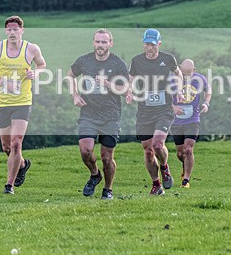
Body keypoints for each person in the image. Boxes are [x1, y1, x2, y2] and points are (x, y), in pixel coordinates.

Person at [0, 15, 46, 195]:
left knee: (16, 143)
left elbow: (42, 64)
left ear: (22, 31)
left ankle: (9, 185)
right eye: (9, 29)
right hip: (3, 102)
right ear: (6, 31)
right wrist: (4, 83)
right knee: (7, 147)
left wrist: (35, 73)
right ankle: (23, 164)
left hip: (23, 102)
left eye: (15, 29)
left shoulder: (31, 49)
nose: (12, 32)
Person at [66, 29, 129, 200]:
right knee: (86, 151)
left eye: (104, 42)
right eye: (98, 42)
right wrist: (75, 95)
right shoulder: (84, 61)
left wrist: (109, 84)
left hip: (110, 115)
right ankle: (95, 174)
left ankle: (108, 189)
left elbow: (126, 90)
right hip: (88, 113)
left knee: (107, 157)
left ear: (110, 43)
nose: (100, 45)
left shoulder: (118, 64)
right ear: (93, 43)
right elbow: (70, 76)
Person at [127, 28, 182, 197]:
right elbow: (130, 79)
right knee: (148, 151)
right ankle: (156, 185)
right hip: (144, 110)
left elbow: (178, 74)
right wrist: (129, 92)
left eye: (152, 44)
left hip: (164, 109)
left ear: (159, 44)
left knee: (158, 144)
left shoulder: (168, 58)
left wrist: (178, 89)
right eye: (146, 44)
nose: (149, 47)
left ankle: (165, 168)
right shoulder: (136, 61)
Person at [171, 59, 211, 189]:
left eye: (188, 74)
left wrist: (206, 103)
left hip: (193, 120)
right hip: (176, 121)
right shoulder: (173, 79)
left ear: (194, 70)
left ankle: (186, 180)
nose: (185, 77)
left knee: (188, 149)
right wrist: (173, 108)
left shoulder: (200, 79)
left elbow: (208, 90)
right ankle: (186, 164)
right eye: (183, 74)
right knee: (180, 153)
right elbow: (165, 96)